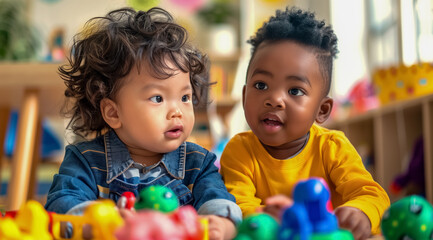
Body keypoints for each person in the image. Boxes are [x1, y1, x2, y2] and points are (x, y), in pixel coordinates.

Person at [45, 7, 241, 240]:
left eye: (185, 97)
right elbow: (61, 205)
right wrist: (99, 222)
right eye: (157, 98)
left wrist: (222, 223)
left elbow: (217, 200)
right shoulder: (85, 160)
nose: (177, 111)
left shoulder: (198, 163)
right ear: (113, 112)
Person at [219, 6, 390, 240]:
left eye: (295, 90)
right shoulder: (239, 150)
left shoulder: (332, 146)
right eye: (261, 85)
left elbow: (372, 194)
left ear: (322, 110)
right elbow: (240, 205)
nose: (275, 99)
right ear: (245, 94)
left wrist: (360, 213)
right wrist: (268, 218)